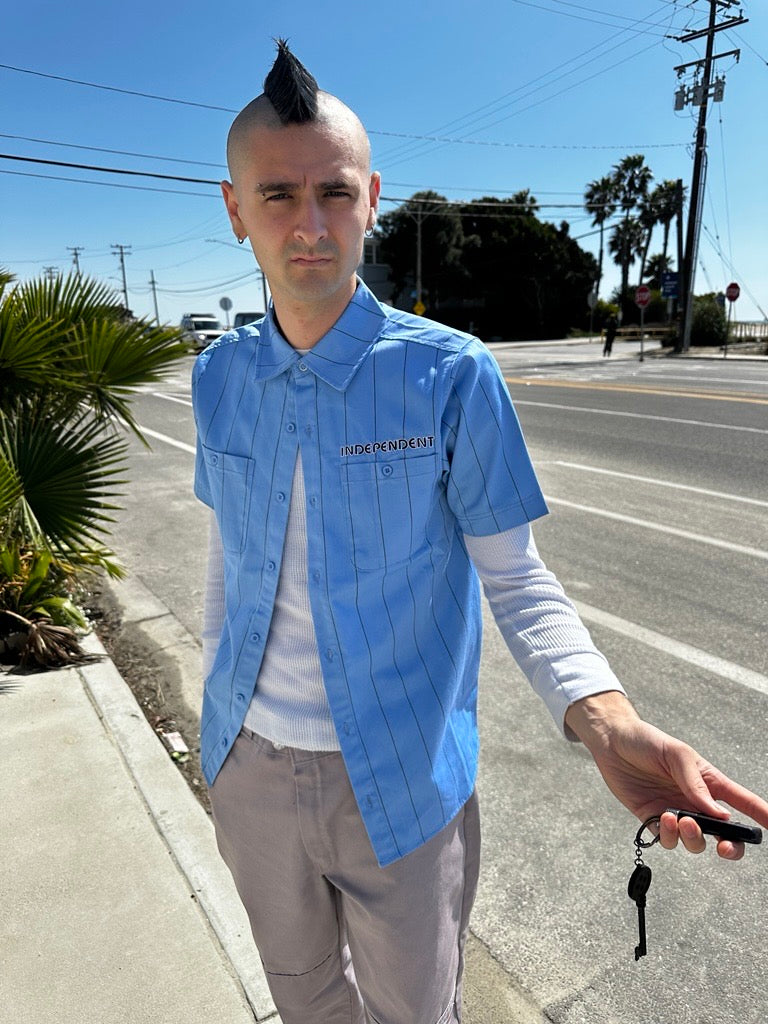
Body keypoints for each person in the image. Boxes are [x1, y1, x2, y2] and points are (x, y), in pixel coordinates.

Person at [192, 41, 768, 1024]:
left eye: (334, 190)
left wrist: (606, 716)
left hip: (403, 790)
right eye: (279, 196)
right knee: (301, 999)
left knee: (418, 1012)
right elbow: (228, 563)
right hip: (247, 770)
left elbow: (519, 579)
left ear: (371, 196)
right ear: (235, 208)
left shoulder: (452, 374)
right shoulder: (218, 375)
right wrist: (219, 739)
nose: (311, 223)